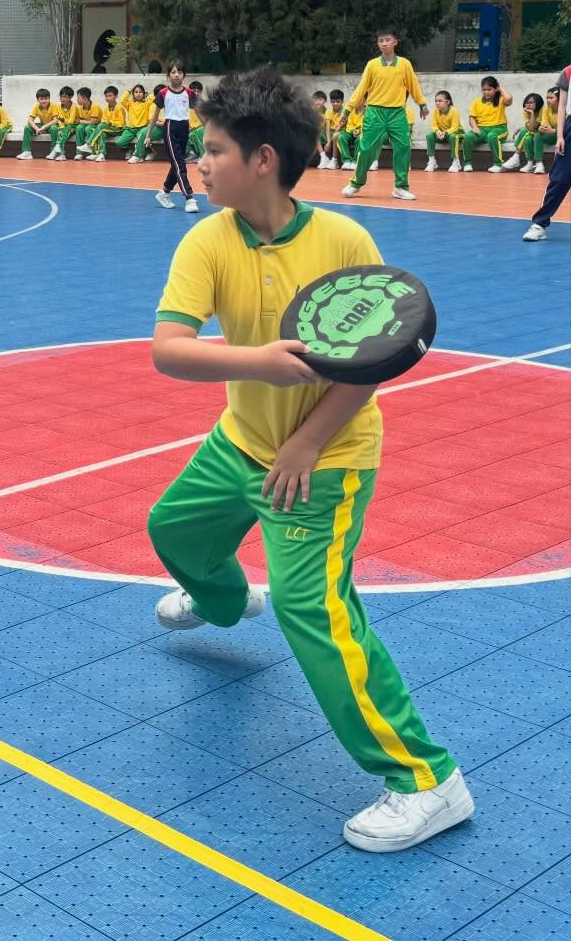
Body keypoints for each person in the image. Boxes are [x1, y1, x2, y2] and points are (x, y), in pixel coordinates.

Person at [149, 66, 472, 853]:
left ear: (263, 160)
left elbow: (372, 363)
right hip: (242, 442)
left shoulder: (343, 241)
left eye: (214, 150)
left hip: (325, 456)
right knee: (174, 531)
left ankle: (427, 781)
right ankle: (228, 601)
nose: (200, 163)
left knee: (313, 610)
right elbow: (169, 349)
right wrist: (258, 365)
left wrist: (306, 441)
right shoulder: (206, 239)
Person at [342, 26, 428, 201]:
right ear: (378, 44)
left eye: (387, 40)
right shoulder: (372, 65)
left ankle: (400, 187)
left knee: (403, 147)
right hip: (374, 112)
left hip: (397, 113)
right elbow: (361, 89)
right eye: (381, 40)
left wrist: (422, 104)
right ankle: (356, 183)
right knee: (366, 149)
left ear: (395, 42)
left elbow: (413, 85)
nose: (384, 43)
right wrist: (347, 110)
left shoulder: (404, 64)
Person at [524, 62, 571, 242]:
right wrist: (560, 136)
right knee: (559, 179)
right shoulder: (568, 72)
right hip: (569, 129)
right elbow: (562, 107)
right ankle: (540, 224)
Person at [152, 63, 198, 213]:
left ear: (184, 74)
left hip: (184, 127)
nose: (176, 74)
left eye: (179, 72)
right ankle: (189, 198)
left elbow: (198, 111)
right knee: (180, 164)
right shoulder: (163, 93)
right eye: (173, 72)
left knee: (177, 164)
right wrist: (148, 135)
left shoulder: (189, 93)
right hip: (170, 127)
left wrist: (209, 128)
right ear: (168, 75)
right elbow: (155, 115)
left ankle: (164, 192)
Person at [461, 75, 514, 172]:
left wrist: (500, 88)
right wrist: (475, 127)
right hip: (482, 130)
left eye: (489, 89)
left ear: (495, 89)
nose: (486, 92)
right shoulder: (476, 101)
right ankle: (467, 163)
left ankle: (498, 164)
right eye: (484, 90)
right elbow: (472, 118)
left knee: (492, 136)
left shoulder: (501, 99)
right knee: (468, 136)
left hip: (499, 129)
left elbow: (509, 99)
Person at [112, 82, 156, 162]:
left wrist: (148, 94)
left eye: (140, 92)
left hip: (142, 128)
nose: (138, 94)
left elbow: (153, 99)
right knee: (120, 143)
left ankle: (150, 152)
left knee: (143, 140)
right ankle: (128, 150)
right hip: (130, 129)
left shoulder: (147, 104)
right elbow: (122, 100)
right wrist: (129, 91)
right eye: (136, 92)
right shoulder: (130, 104)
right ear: (133, 94)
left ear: (144, 94)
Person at [424, 90, 461, 173]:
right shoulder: (435, 111)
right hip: (442, 134)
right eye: (436, 101)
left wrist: (446, 133)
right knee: (429, 135)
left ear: (448, 102)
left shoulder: (454, 111)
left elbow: (455, 127)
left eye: (440, 101)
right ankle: (432, 162)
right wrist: (437, 132)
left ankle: (456, 163)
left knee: (453, 137)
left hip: (455, 133)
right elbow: (433, 126)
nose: (437, 103)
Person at [57, 86, 99, 160]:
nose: (77, 100)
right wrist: (79, 121)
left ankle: (94, 153)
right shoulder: (80, 108)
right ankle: (79, 153)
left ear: (85, 98)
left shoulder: (95, 106)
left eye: (78, 98)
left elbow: (93, 122)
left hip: (96, 125)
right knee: (79, 127)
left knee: (88, 128)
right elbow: (80, 121)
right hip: (86, 124)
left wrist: (79, 121)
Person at [17, 88, 60, 159]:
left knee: (54, 128)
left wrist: (44, 127)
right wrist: (37, 129)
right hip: (42, 126)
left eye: (46, 98)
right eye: (41, 99)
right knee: (27, 127)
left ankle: (54, 151)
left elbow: (55, 120)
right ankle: (27, 152)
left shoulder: (53, 105)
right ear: (38, 100)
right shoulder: (36, 106)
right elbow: (30, 120)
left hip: (51, 125)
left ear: (49, 99)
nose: (44, 101)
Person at [87, 85, 123, 162]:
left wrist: (110, 123)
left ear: (116, 96)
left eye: (110, 96)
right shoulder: (106, 108)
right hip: (107, 129)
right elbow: (103, 120)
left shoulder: (119, 107)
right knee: (99, 132)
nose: (107, 98)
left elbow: (121, 123)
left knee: (101, 127)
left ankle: (89, 144)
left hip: (118, 129)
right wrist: (105, 122)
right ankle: (101, 154)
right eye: (106, 96)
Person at [512, 92, 547, 173]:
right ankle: (530, 163)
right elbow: (530, 127)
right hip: (534, 132)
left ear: (537, 103)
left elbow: (533, 127)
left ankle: (516, 156)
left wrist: (531, 113)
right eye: (527, 103)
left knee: (524, 131)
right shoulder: (525, 111)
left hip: (543, 132)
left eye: (531, 102)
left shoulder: (543, 110)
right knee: (527, 138)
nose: (528, 105)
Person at [186, 81, 206, 161]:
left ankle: (203, 156)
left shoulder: (203, 104)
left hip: (202, 127)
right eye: (194, 91)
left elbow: (205, 120)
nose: (196, 93)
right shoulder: (185, 103)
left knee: (197, 132)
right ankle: (192, 154)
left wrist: (195, 127)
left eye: (199, 91)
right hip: (191, 127)